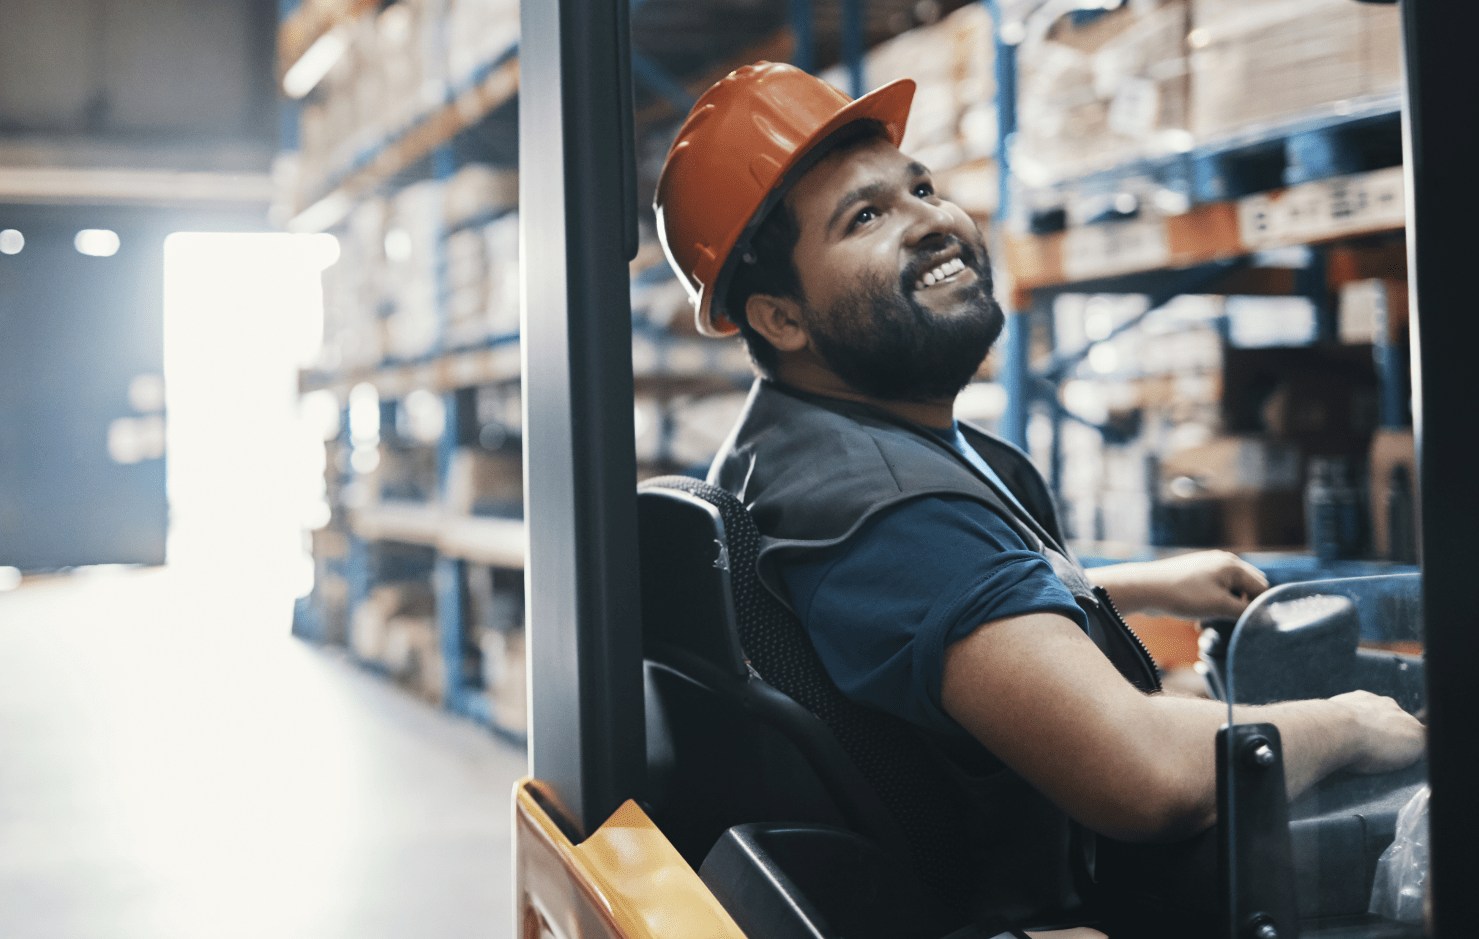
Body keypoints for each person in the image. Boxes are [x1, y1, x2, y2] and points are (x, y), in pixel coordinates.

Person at [653, 62, 1424, 933]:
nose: (932, 223)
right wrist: (1347, 722)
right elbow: (1141, 776)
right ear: (780, 318)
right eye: (865, 217)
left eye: (921, 188)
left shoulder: (798, 445)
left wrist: (1129, 585)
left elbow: (931, 607)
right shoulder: (892, 510)